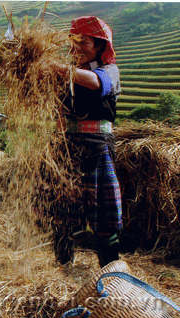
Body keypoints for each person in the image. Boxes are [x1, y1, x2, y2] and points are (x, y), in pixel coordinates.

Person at [50, 16, 122, 268]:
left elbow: (95, 83)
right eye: (73, 42)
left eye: (84, 42)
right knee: (61, 214)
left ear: (100, 46)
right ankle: (61, 268)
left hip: (96, 146)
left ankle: (112, 273)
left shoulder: (108, 71)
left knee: (103, 215)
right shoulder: (65, 76)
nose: (76, 47)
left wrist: (57, 67)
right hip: (66, 147)